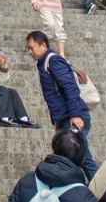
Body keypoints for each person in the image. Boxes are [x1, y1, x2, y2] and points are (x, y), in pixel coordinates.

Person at [26, 32, 98, 180]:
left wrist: (75, 114)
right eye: (28, 48)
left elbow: (69, 87)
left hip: (74, 115)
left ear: (43, 45)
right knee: (73, 157)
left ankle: (103, 191)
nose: (30, 52)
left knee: (81, 157)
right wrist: (57, 122)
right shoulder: (44, 63)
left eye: (32, 47)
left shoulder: (53, 61)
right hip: (66, 117)